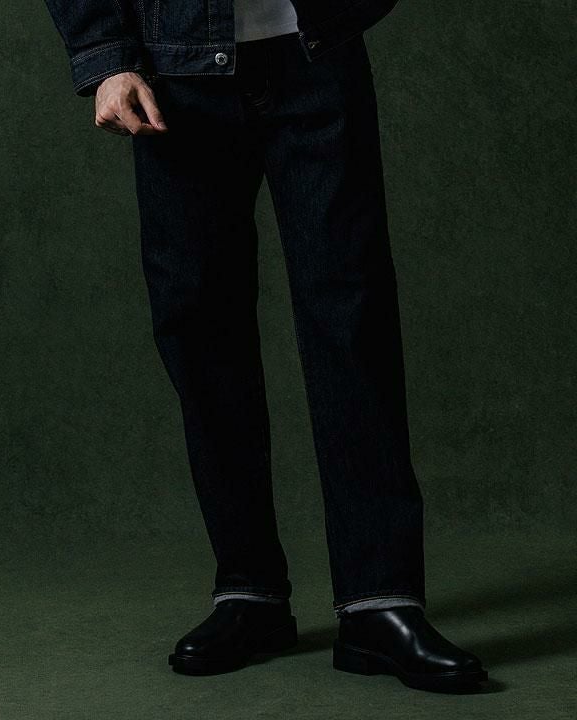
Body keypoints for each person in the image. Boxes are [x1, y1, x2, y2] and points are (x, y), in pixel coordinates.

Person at [43, 0, 488, 692]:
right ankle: (249, 590)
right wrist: (105, 58)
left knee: (352, 318)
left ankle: (379, 602)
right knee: (199, 322)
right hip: (175, 72)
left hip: (315, 53)